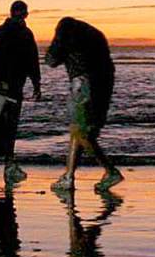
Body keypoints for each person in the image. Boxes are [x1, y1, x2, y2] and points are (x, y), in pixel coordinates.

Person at [45, 16, 123, 193]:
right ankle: (68, 177)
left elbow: (51, 60)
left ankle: (110, 171)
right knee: (81, 130)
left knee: (80, 132)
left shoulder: (65, 30)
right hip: (104, 84)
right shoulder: (95, 34)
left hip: (82, 83)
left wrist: (53, 48)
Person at [0, 0, 42, 184]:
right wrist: (36, 84)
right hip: (14, 87)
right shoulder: (25, 33)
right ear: (25, 14)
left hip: (0, 86)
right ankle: (8, 164)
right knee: (10, 127)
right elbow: (32, 61)